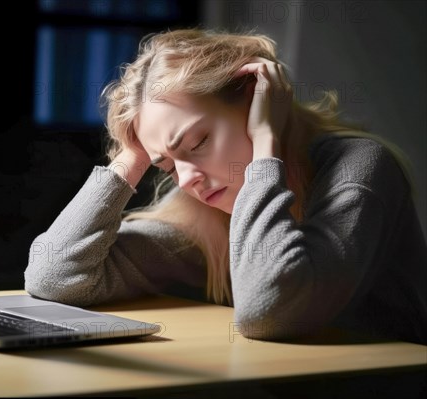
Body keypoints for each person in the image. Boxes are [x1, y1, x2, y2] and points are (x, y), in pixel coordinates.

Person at [25, 28, 427, 344]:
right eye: (165, 166)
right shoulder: (207, 207)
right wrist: (130, 158)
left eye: (197, 142)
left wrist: (267, 142)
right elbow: (54, 277)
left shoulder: (359, 167)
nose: (185, 179)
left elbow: (270, 312)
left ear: (257, 101)